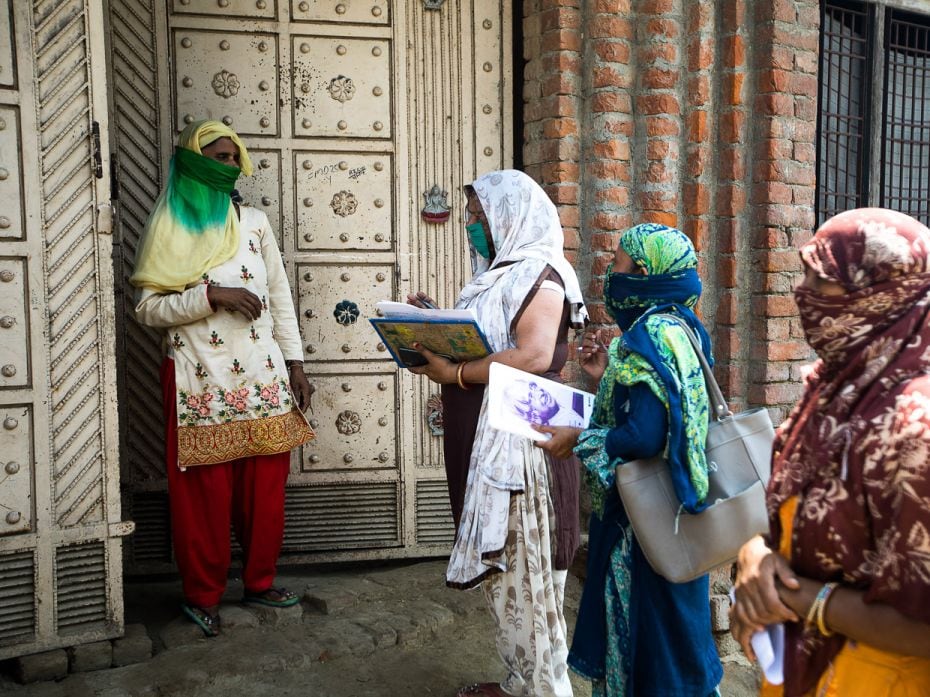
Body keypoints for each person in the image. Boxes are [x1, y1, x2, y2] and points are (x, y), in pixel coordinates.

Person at [729, 208, 930, 697]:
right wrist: (754, 556)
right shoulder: (837, 389)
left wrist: (803, 601)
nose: (803, 294)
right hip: (800, 669)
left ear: (884, 296)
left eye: (821, 281)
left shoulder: (914, 425)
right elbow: (794, 517)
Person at [406, 169, 587, 697]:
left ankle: (545, 689)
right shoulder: (498, 273)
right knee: (506, 576)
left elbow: (531, 354)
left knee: (527, 573)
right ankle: (518, 682)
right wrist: (434, 324)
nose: (469, 225)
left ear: (509, 217)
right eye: (470, 216)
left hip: (522, 444)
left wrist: (455, 374)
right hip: (483, 433)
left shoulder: (542, 273)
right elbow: (490, 338)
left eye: (477, 216)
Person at [131, 120, 315, 637]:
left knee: (265, 490)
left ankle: (260, 582)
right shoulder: (170, 224)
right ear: (193, 160)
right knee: (204, 497)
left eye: (235, 158)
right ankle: (203, 595)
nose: (229, 166)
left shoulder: (254, 221)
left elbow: (279, 295)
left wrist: (296, 364)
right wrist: (210, 297)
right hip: (200, 381)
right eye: (217, 156)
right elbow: (147, 308)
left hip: (264, 378)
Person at [537, 223, 723, 697]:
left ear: (642, 271)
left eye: (617, 264)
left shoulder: (648, 336)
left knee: (646, 639)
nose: (610, 275)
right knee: (680, 636)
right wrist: (606, 381)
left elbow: (644, 435)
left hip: (643, 525)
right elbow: (661, 411)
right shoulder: (681, 325)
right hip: (678, 511)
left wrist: (580, 438)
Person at [503, 379, 584, 428]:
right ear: (532, 416)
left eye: (533, 387)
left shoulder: (567, 396)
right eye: (531, 398)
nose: (539, 392)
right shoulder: (560, 431)